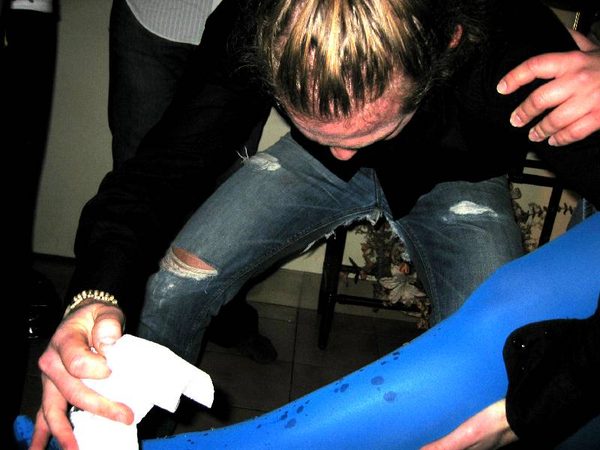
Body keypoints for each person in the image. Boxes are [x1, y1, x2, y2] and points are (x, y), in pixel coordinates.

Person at [31, 0, 600, 449]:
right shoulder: (254, 17)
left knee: (490, 368)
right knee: (171, 284)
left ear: (448, 42)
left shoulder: (510, 35)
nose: (351, 152)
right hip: (312, 165)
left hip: (461, 177)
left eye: (369, 129)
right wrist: (92, 295)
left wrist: (548, 399)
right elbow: (164, 166)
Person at [104, 0, 277, 362]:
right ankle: (120, 315)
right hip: (152, 18)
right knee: (140, 174)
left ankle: (224, 313)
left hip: (249, 22)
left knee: (231, 196)